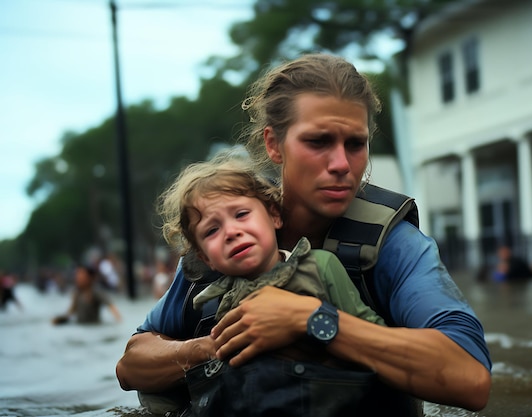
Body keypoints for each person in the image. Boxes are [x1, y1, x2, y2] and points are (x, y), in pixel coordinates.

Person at [116, 53, 492, 414]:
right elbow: (131, 365)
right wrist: (212, 346)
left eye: (356, 144)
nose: (342, 164)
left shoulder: (393, 245)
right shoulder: (222, 241)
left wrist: (312, 320)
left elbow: (471, 378)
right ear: (273, 145)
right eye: (319, 142)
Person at [150, 153, 387, 415]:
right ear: (206, 258)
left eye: (241, 214)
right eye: (212, 231)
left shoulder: (320, 267)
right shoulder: (216, 304)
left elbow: (373, 336)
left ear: (274, 216)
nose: (231, 232)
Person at [52, 265, 122, 325]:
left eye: (81, 275)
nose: (78, 278)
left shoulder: (96, 292)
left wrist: (119, 321)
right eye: (77, 275)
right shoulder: (77, 293)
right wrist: (59, 320)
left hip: (93, 327)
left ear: (90, 278)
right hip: (80, 326)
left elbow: (112, 307)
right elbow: (70, 313)